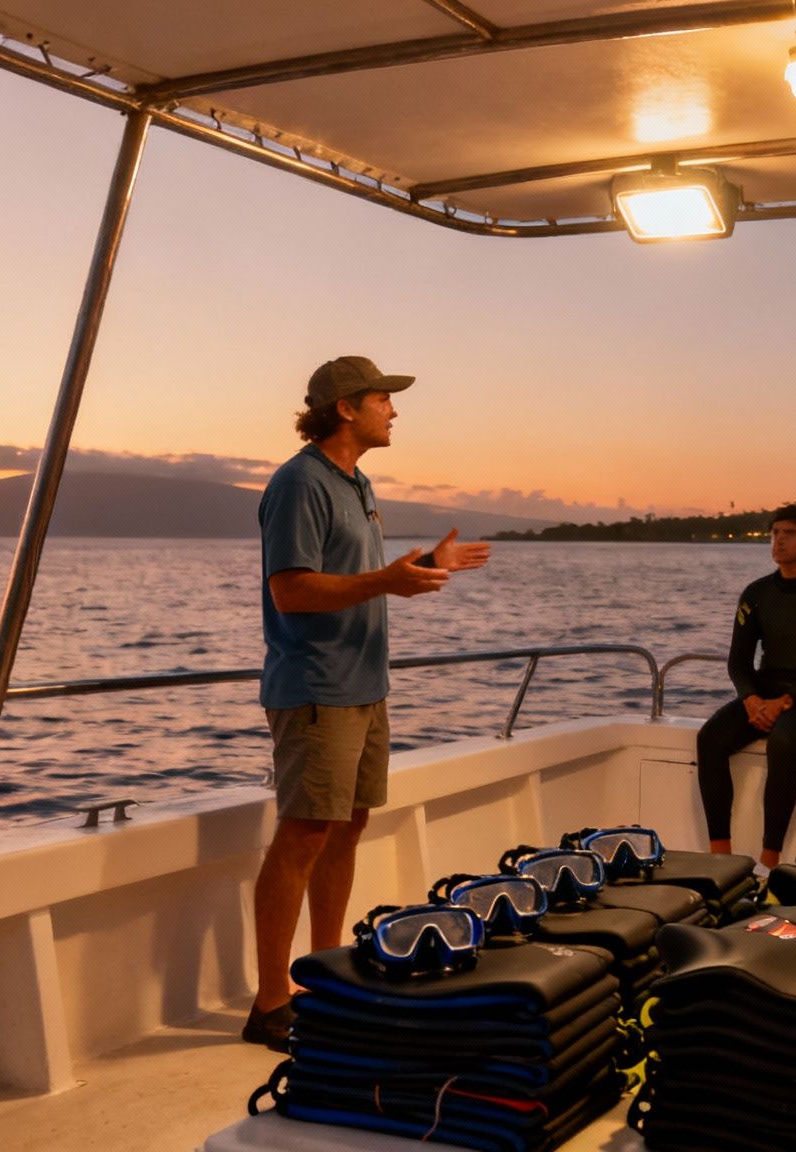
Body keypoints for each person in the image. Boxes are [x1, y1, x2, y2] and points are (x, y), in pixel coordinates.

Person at [245, 355, 492, 1051]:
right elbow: (290, 589)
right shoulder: (299, 482)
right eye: (384, 399)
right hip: (317, 687)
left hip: (365, 685)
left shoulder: (356, 482)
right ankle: (271, 1002)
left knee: (346, 828)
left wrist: (422, 568)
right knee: (303, 836)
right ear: (346, 408)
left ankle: (323, 976)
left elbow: (356, 576)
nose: (395, 410)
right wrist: (385, 581)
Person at [697, 504, 796, 869]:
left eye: (789, 533)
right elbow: (738, 661)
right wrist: (750, 698)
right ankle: (720, 855)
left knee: (783, 741)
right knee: (710, 739)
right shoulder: (756, 593)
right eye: (775, 533)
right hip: (764, 695)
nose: (779, 540)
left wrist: (785, 701)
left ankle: (769, 860)